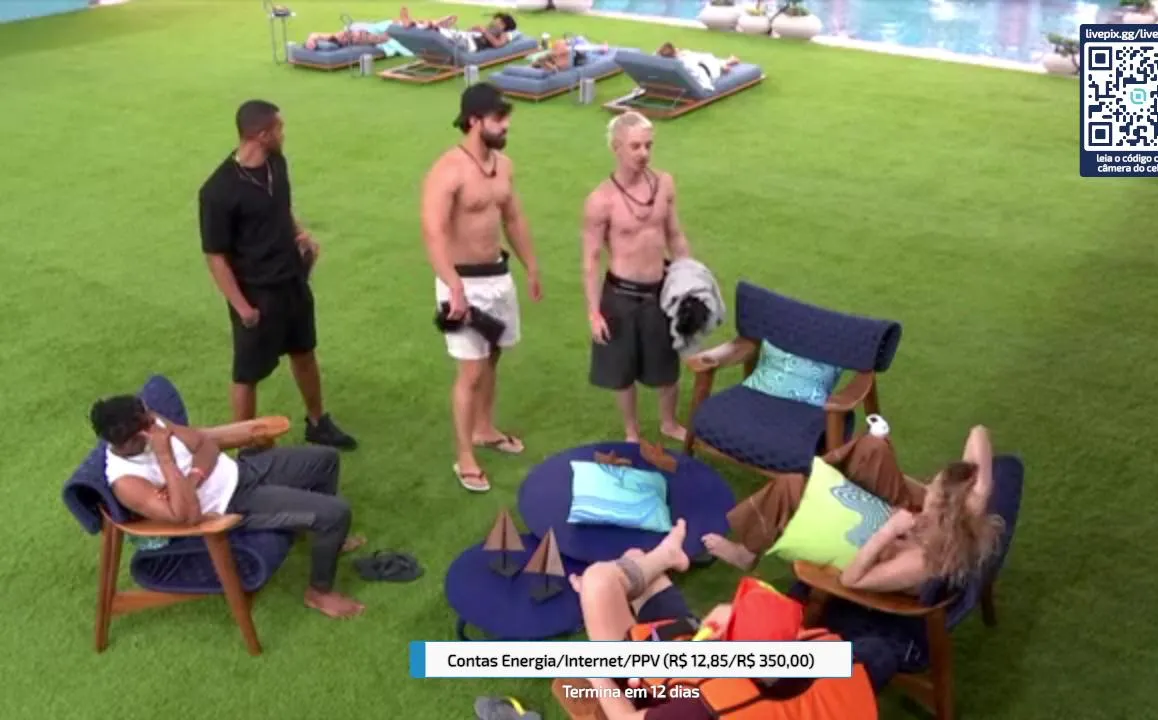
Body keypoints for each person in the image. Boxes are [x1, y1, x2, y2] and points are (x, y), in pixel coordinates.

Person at [566, 520, 880, 719]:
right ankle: (653, 563)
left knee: (599, 582)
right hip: (685, 659)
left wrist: (597, 676)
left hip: (654, 688)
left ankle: (657, 560)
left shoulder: (700, 707)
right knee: (638, 566)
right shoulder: (828, 655)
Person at [89, 393, 366, 618]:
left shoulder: (148, 420)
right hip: (235, 504)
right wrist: (165, 457)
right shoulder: (127, 483)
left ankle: (326, 541)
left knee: (326, 460)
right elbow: (186, 515)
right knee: (335, 514)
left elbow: (205, 445)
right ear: (133, 439)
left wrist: (192, 479)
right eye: (149, 425)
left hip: (241, 470)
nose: (156, 423)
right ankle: (319, 593)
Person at [198, 100, 357, 451]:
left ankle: (318, 422)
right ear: (261, 134)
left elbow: (281, 207)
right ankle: (247, 447)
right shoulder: (218, 192)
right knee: (247, 373)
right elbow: (216, 257)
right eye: (279, 129)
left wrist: (300, 234)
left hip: (292, 281)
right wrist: (242, 307)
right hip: (256, 293)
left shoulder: (276, 163)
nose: (283, 134)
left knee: (304, 351)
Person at [703, 425, 1005, 595]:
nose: (928, 488)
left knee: (789, 487)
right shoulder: (966, 514)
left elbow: (852, 580)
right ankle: (822, 478)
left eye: (932, 491)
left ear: (942, 512)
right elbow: (978, 432)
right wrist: (981, 486)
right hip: (904, 523)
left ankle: (747, 553)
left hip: (874, 546)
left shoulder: (919, 563)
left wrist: (889, 531)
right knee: (873, 448)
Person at [421, 83, 542, 493]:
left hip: (497, 275)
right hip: (462, 282)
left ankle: (485, 429)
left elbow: (514, 218)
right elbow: (434, 232)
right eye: (498, 119)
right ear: (474, 121)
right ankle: (465, 457)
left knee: (492, 357)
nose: (506, 126)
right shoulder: (448, 170)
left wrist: (531, 265)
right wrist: (452, 285)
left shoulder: (503, 166)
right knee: (470, 371)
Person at [582, 111, 692, 443]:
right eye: (635, 146)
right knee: (622, 371)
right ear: (616, 147)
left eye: (648, 145)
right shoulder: (601, 200)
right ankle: (632, 432)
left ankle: (669, 423)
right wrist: (593, 312)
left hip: (661, 290)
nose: (644, 153)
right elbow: (591, 259)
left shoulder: (665, 184)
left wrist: (689, 279)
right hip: (620, 296)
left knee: (667, 366)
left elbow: (675, 235)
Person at [402, 9, 516, 52]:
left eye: (499, 23)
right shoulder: (489, 29)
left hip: (471, 45)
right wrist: (474, 30)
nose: (494, 23)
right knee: (442, 30)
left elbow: (498, 44)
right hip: (467, 38)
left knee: (440, 31)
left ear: (505, 26)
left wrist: (484, 31)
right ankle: (414, 23)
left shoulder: (505, 34)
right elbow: (471, 33)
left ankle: (421, 24)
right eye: (495, 21)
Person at [655, 42, 739, 92]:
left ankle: (725, 63)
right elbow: (699, 73)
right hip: (710, 72)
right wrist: (707, 87)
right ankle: (726, 63)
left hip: (704, 67)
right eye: (676, 49)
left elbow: (656, 54)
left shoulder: (660, 63)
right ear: (675, 53)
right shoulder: (685, 62)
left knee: (703, 58)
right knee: (707, 59)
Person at [304, 27, 388, 50]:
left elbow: (314, 34)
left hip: (365, 34)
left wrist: (311, 39)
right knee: (382, 38)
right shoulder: (339, 39)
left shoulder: (337, 36)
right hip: (369, 37)